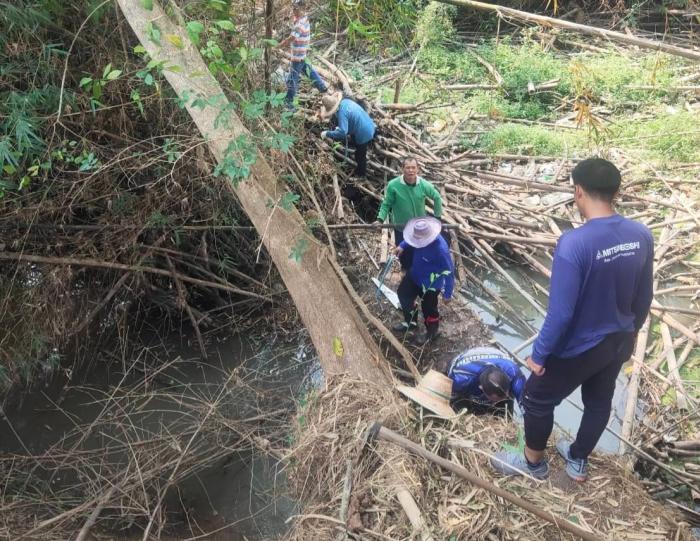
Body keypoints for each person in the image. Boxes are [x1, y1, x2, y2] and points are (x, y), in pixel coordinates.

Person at [491, 158, 654, 482]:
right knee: (598, 400)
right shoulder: (641, 235)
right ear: (616, 191)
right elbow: (644, 295)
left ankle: (533, 465)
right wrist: (631, 332)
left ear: (578, 191)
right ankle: (577, 459)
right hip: (619, 339)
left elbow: (561, 312)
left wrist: (539, 354)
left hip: (579, 346)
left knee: (536, 398)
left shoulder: (574, 244)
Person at [392, 216, 454, 345]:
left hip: (430, 284)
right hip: (415, 274)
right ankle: (411, 322)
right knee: (403, 294)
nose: (416, 241)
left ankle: (432, 332)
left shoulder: (440, 250)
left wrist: (448, 293)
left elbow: (450, 272)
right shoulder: (418, 237)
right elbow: (412, 239)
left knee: (429, 310)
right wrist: (402, 245)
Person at [375, 157, 443, 271]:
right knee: (404, 255)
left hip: (419, 229)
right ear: (402, 169)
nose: (411, 170)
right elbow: (386, 204)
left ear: (418, 169)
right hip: (401, 228)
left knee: (419, 253)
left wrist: (437, 217)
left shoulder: (423, 184)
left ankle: (417, 275)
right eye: (408, 168)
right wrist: (380, 219)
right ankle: (406, 273)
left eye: (413, 168)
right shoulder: (393, 185)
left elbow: (437, 197)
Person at [276, 0, 327, 108]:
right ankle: (322, 87)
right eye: (293, 8)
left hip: (298, 56)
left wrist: (279, 46)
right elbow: (293, 20)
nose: (294, 11)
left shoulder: (300, 24)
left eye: (296, 9)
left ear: (302, 8)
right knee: (309, 71)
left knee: (292, 80)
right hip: (301, 53)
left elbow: (292, 38)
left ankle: (289, 104)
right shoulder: (302, 18)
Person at [448, 347, 526, 414]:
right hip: (466, 369)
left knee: (506, 408)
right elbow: (450, 396)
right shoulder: (460, 379)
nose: (495, 403)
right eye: (494, 400)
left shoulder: (515, 374)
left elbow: (528, 407)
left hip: (497, 360)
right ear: (481, 387)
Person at [319, 91, 376, 177]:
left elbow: (342, 133)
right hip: (369, 124)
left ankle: (361, 175)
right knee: (354, 141)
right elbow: (351, 119)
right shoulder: (346, 101)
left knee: (360, 156)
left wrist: (327, 133)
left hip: (364, 132)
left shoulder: (342, 112)